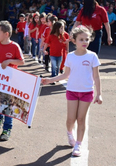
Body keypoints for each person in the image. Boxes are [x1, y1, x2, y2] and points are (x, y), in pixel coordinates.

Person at [41, 25, 103, 157]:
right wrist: (50, 80)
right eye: (81, 39)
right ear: (74, 40)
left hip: (87, 92)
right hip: (72, 91)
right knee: (71, 119)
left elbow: (96, 77)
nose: (85, 42)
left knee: (81, 119)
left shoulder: (93, 56)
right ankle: (70, 134)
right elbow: (65, 75)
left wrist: (99, 94)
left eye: (87, 39)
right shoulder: (70, 56)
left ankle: (78, 144)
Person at [0, 21, 25, 141]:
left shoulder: (14, 46)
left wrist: (9, 61)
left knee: (8, 106)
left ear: (6, 34)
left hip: (10, 82)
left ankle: (7, 129)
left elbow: (21, 61)